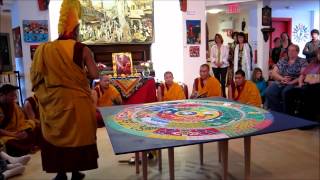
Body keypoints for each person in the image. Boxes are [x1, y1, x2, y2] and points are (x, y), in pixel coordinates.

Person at [30, 0, 99, 179]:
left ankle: (60, 173)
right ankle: (76, 171)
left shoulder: (44, 49)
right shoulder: (81, 48)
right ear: (75, 28)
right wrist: (82, 71)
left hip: (52, 103)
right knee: (77, 137)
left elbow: (36, 78)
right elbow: (94, 73)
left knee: (56, 137)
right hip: (76, 103)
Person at [265, 44, 307, 113]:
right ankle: (278, 111)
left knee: (285, 92)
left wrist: (291, 82)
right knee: (268, 92)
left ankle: (287, 113)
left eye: (293, 50)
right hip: (281, 81)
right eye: (289, 50)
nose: (290, 52)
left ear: (297, 52)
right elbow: (274, 72)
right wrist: (282, 79)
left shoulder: (302, 61)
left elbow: (303, 74)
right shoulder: (283, 60)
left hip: (294, 82)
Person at [0, 84, 37, 157]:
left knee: (34, 131)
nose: (14, 98)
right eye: (11, 95)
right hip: (4, 133)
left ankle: (25, 149)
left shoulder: (14, 105)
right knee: (10, 143)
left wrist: (22, 131)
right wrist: (13, 134)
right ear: (2, 95)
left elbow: (21, 121)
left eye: (15, 95)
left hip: (15, 130)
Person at [286, 47, 320, 120]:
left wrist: (311, 78)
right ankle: (290, 116)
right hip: (305, 84)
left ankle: (308, 119)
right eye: (319, 53)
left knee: (309, 93)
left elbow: (315, 79)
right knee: (288, 93)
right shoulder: (313, 63)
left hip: (315, 86)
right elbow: (302, 74)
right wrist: (300, 83)